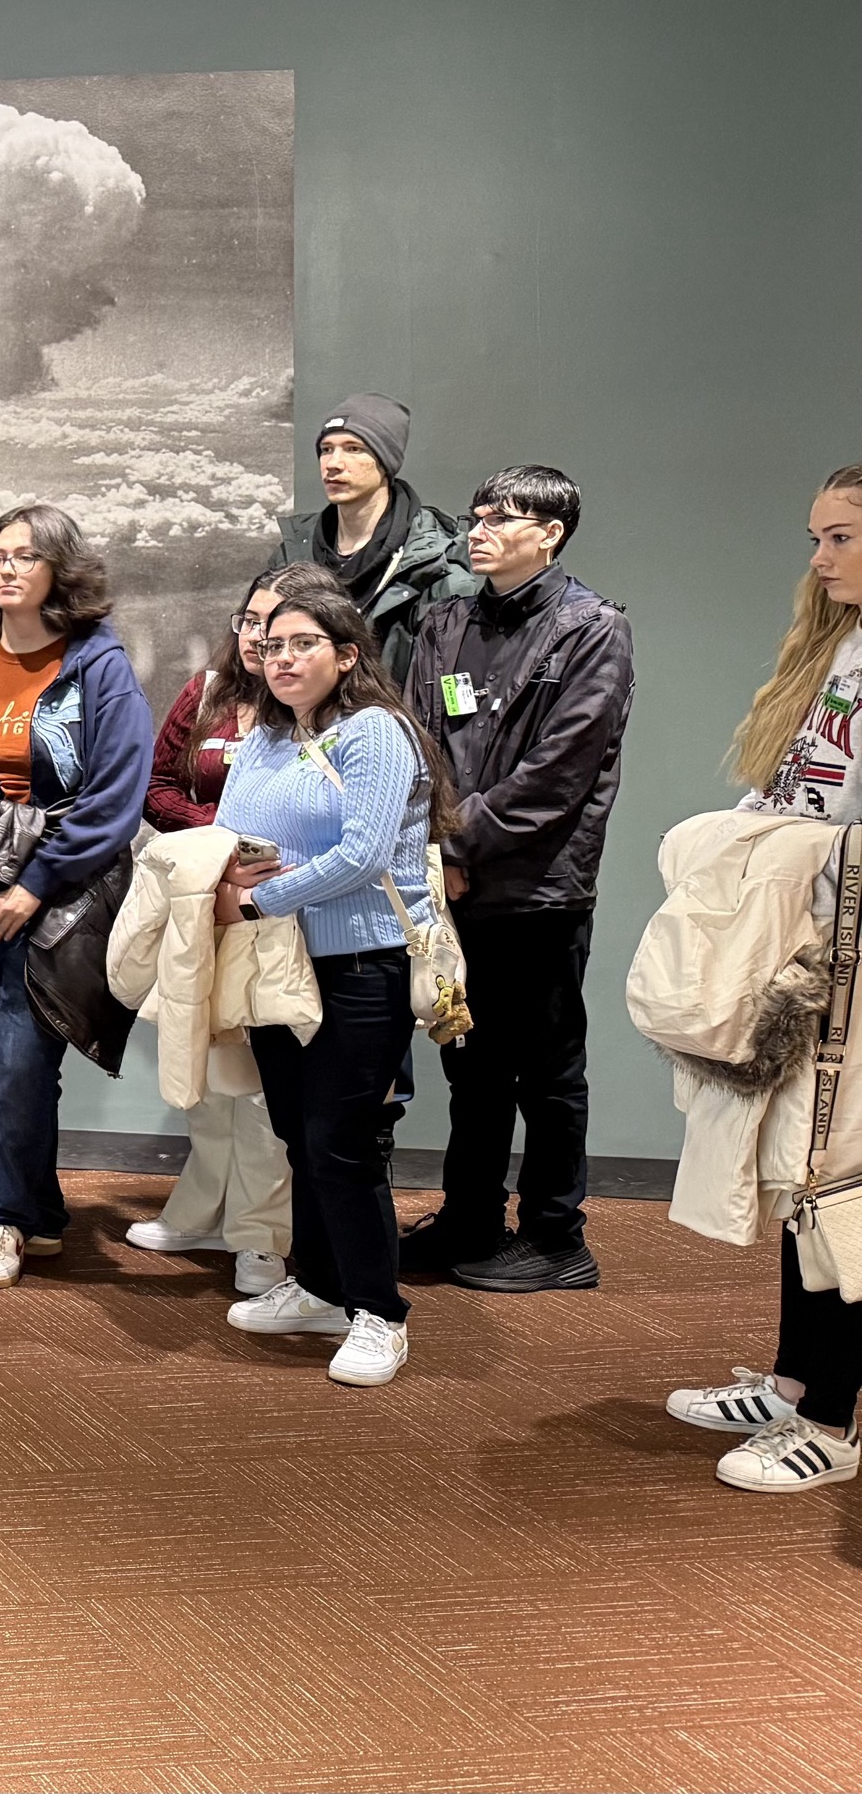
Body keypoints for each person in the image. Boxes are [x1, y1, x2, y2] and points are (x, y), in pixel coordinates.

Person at [665, 463, 862, 1491]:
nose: (820, 558)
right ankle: (794, 1384)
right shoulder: (837, 648)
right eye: (816, 537)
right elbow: (792, 790)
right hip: (805, 949)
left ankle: (833, 1421)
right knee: (799, 1177)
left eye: (840, 538)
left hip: (854, 962)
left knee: (843, 1190)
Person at [211, 584, 456, 1388]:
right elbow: (233, 836)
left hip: (360, 962)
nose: (282, 658)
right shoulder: (266, 738)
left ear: (347, 654)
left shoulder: (376, 733)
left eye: (303, 643)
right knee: (295, 1131)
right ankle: (317, 1287)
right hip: (275, 961)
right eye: (272, 644)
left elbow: (364, 856)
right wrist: (226, 881)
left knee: (342, 1141)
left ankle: (379, 1313)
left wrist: (256, 895)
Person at [0, 504, 152, 1287]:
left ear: (60, 572)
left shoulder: (99, 667)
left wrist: (37, 885)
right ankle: (34, 1209)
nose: (5, 569)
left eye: (25, 557)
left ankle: (5, 1218)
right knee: (2, 1050)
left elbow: (116, 795)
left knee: (19, 1051)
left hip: (63, 891)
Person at [402, 466, 633, 1293]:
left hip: (539, 888)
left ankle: (556, 1236)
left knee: (547, 1067)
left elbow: (558, 773)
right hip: (456, 883)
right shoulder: (446, 620)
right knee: (471, 1062)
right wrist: (440, 852)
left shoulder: (592, 628)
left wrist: (460, 848)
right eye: (477, 515)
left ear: (552, 532)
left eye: (504, 518)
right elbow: (417, 738)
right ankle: (469, 1218)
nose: (481, 528)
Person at [127, 564, 340, 1295]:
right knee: (211, 1070)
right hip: (205, 906)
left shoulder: (327, 717)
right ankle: (202, 1209)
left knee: (260, 1090)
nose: (260, 638)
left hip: (281, 916)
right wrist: (221, 839)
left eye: (278, 626)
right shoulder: (209, 691)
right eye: (250, 622)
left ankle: (262, 1236)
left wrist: (252, 857)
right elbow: (157, 786)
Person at [265, 393, 476, 678]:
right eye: (326, 449)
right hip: (305, 717)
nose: (333, 463)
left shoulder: (434, 561)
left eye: (353, 449)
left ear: (385, 462)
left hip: (396, 718)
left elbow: (452, 674)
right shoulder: (294, 554)